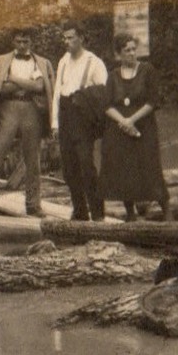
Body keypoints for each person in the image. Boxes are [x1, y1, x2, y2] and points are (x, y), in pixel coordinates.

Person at [0, 29, 53, 216]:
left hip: (31, 110)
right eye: (18, 41)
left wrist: (14, 80)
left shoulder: (41, 62)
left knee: (33, 160)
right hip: (8, 110)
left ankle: (33, 205)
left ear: (31, 41)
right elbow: (1, 89)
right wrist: (27, 84)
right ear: (13, 42)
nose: (22, 45)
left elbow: (40, 86)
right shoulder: (0, 61)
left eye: (26, 41)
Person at [99, 34, 170, 221]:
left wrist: (132, 120)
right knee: (124, 169)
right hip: (120, 129)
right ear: (119, 54)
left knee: (151, 167)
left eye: (133, 49)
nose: (132, 53)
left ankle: (167, 212)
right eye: (127, 50)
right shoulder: (113, 75)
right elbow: (106, 105)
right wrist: (123, 121)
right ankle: (130, 215)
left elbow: (153, 102)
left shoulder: (147, 70)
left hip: (143, 128)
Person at [50, 23, 108, 221]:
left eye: (70, 38)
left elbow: (103, 95)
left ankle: (98, 213)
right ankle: (80, 211)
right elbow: (57, 92)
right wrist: (55, 124)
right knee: (69, 168)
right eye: (64, 38)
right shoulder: (63, 61)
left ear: (81, 38)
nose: (66, 42)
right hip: (66, 115)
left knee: (86, 165)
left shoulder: (95, 62)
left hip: (83, 118)